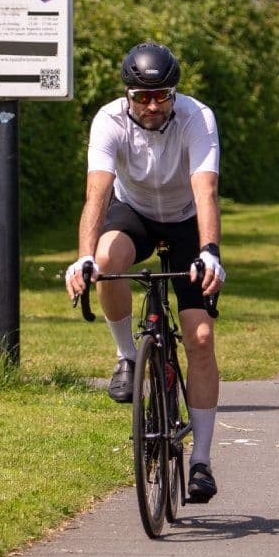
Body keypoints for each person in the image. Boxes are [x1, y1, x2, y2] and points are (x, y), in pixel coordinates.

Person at [64, 41, 228, 503]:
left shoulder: (197, 117)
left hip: (185, 220)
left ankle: (201, 460)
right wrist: (84, 257)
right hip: (133, 212)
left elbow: (206, 190)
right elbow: (97, 195)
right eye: (142, 97)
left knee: (199, 338)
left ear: (174, 94)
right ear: (127, 94)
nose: (153, 105)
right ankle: (127, 357)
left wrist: (209, 251)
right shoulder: (108, 120)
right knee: (108, 260)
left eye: (162, 96)